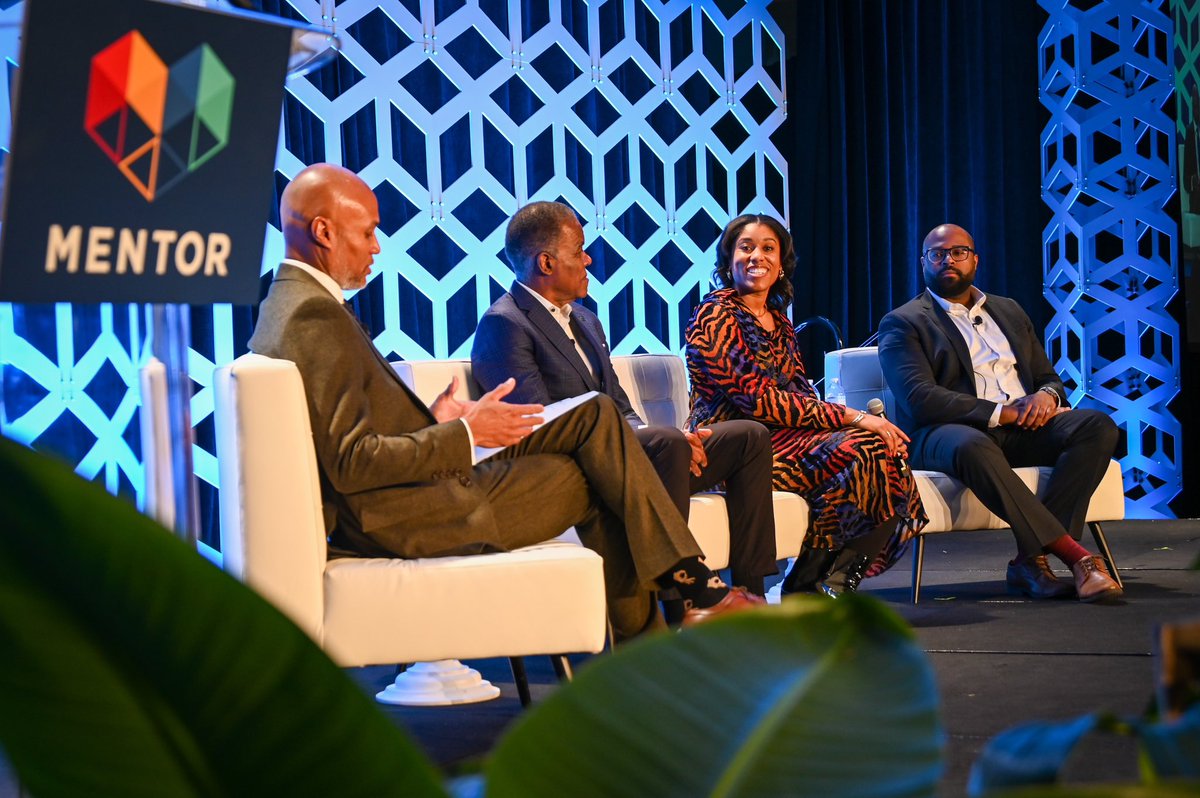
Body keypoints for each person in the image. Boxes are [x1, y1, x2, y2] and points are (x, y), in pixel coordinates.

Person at [248, 163, 763, 640]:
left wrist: (439, 420)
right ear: (323, 232)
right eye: (367, 233)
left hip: (413, 494)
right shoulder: (312, 316)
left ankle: (673, 627)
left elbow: (353, 435)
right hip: (409, 515)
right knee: (601, 457)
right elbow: (352, 461)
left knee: (602, 433)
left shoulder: (293, 305)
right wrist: (467, 434)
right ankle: (690, 601)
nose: (377, 248)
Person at [471, 201, 777, 596]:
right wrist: (657, 441)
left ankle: (750, 594)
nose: (589, 259)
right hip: (577, 471)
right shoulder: (506, 324)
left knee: (748, 437)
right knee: (667, 442)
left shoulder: (585, 318)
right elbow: (542, 426)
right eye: (579, 250)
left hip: (633, 459)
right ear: (546, 263)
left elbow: (617, 401)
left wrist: (654, 437)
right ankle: (679, 604)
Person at [877, 223, 1122, 602]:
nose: (948, 260)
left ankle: (1030, 560)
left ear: (975, 259)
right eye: (937, 254)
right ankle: (1077, 557)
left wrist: (1046, 397)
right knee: (973, 444)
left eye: (958, 252)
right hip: (945, 432)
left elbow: (1047, 377)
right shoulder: (904, 321)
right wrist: (1000, 413)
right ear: (923, 262)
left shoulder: (1008, 310)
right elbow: (919, 398)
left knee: (1096, 426)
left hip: (1023, 428)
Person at [685, 214, 927, 597]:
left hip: (787, 440)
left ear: (781, 264)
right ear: (728, 259)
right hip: (736, 448)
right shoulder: (716, 314)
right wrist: (856, 418)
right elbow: (756, 399)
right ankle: (812, 585)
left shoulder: (778, 322)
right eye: (745, 247)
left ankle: (826, 580)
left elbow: (799, 394)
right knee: (864, 446)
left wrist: (859, 425)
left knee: (885, 450)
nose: (756, 256)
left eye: (768, 248)